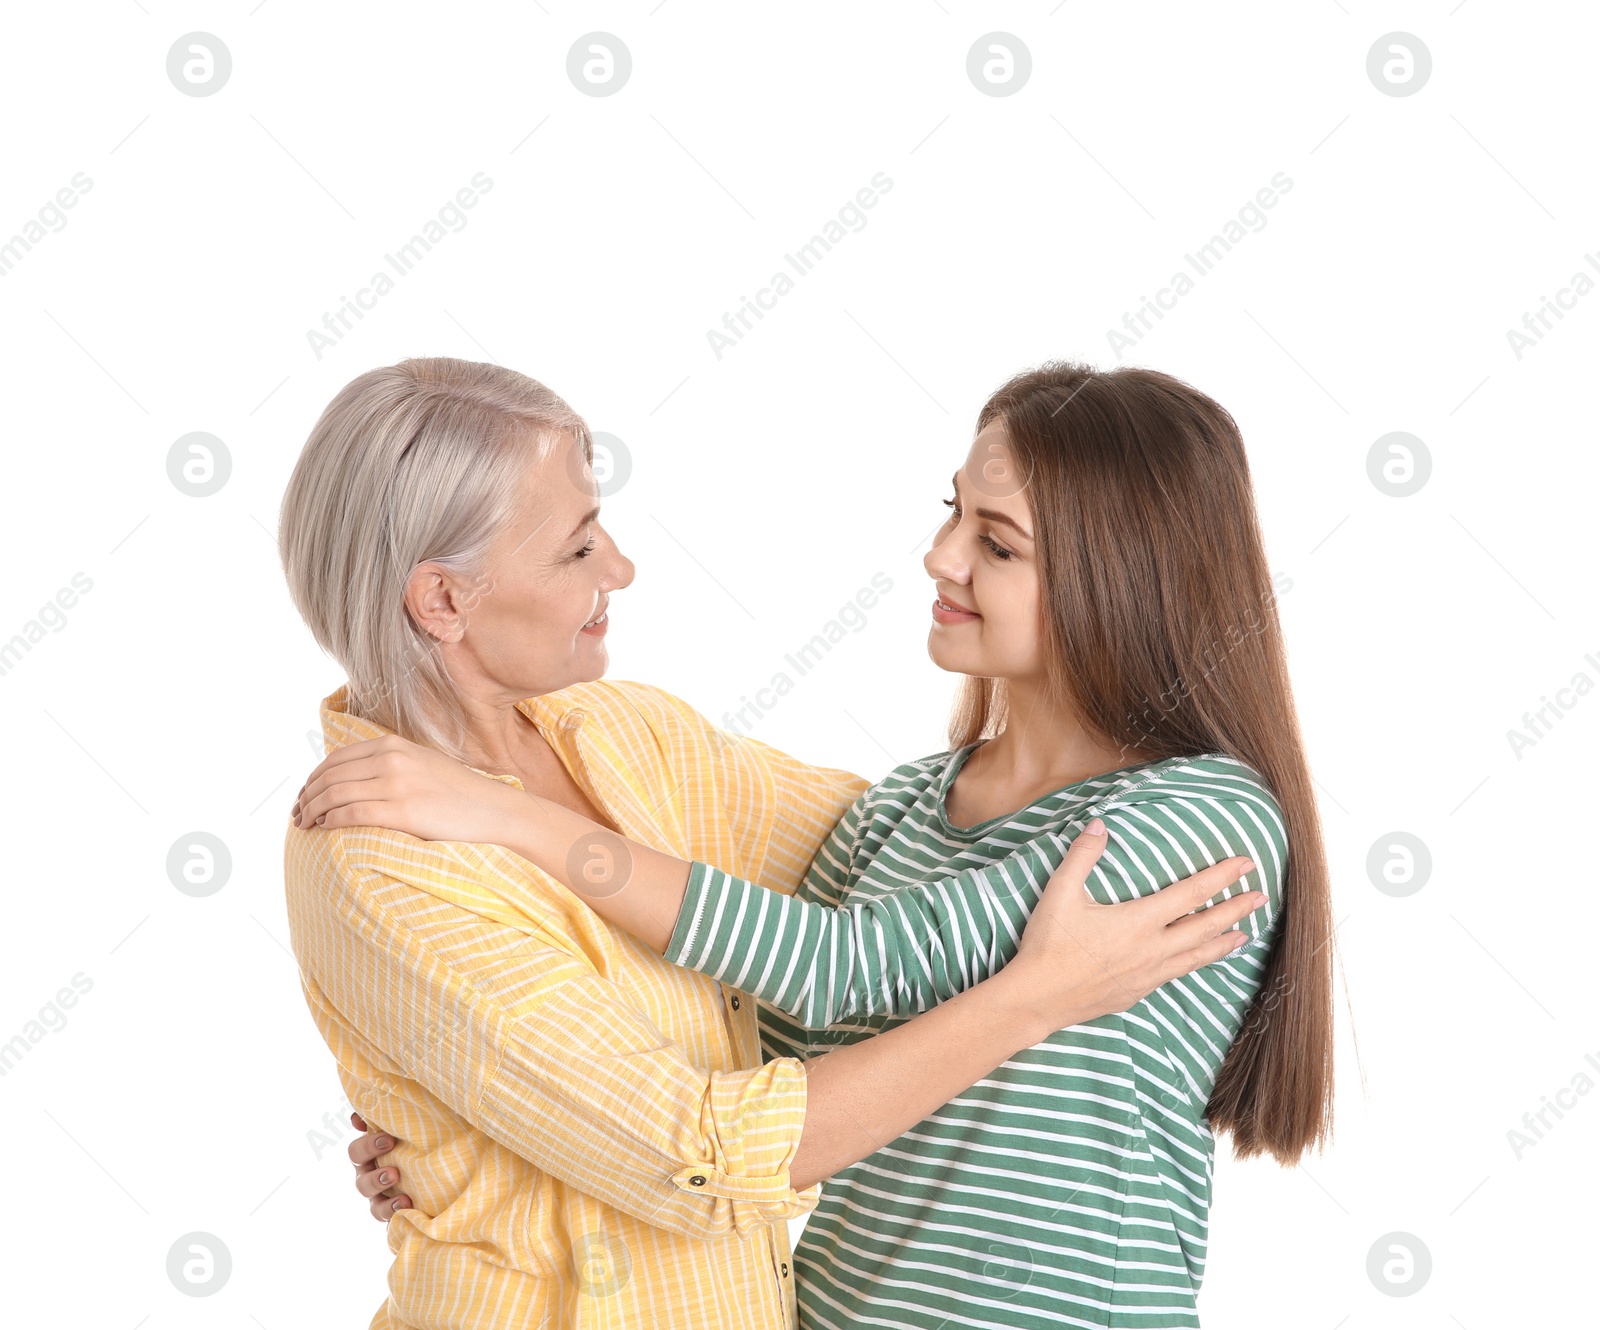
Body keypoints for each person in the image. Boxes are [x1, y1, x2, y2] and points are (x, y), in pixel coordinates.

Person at [297, 361, 1333, 1328]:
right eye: (951, 516)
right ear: (441, 600)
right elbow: (774, 1061)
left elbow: (835, 971)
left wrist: (515, 817)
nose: (939, 556)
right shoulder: (907, 806)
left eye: (996, 540)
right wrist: (475, 1146)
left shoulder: (1199, 819)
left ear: (1125, 581)